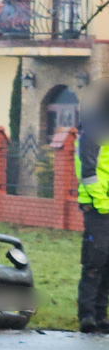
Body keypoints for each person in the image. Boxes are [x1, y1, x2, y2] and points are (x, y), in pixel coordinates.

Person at [76, 83, 109, 334]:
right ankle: (87, 316)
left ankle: (100, 316)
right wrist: (103, 205)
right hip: (99, 210)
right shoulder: (93, 132)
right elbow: (88, 173)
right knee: (95, 262)